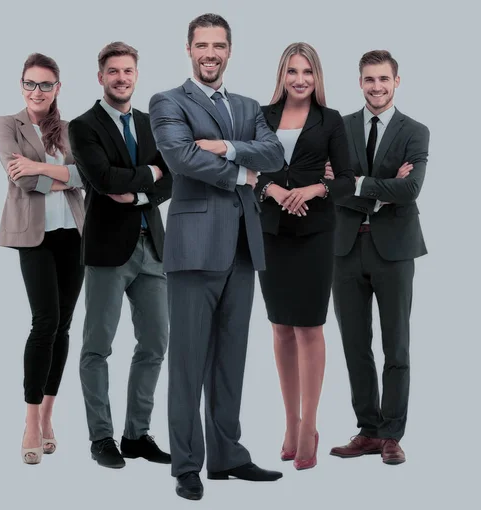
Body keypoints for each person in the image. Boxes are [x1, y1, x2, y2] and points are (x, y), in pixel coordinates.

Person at [149, 13, 285, 501]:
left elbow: (274, 155)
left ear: (230, 50)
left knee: (230, 360)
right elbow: (181, 156)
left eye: (219, 45)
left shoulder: (249, 106)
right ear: (189, 49)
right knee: (187, 362)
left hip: (243, 248)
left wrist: (227, 145)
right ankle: (187, 464)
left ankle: (228, 455)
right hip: (192, 251)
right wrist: (241, 174)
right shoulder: (167, 101)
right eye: (202, 44)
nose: (211, 53)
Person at [68, 42, 172, 470]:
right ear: (101, 77)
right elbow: (102, 178)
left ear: (136, 74)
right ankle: (101, 437)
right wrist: (148, 174)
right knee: (97, 346)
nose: (122, 78)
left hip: (154, 250)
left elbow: (173, 181)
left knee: (154, 344)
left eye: (128, 71)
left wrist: (136, 189)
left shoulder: (151, 124)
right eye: (114, 71)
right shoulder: (83, 126)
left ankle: (136, 434)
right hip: (109, 252)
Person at [255, 42, 355, 470]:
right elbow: (248, 170)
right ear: (282, 74)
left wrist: (313, 190)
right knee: (280, 327)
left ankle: (311, 425)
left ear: (317, 78)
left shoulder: (330, 121)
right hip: (271, 231)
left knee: (309, 327)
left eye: (307, 73)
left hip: (315, 231)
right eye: (293, 71)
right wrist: (274, 190)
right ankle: (291, 423)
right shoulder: (260, 117)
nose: (299, 80)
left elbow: (347, 179)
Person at [328, 50, 430, 465]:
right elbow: (330, 187)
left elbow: (411, 190)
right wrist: (381, 190)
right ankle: (368, 430)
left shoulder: (415, 131)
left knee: (396, 346)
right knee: (355, 345)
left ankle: (392, 435)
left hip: (395, 251)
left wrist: (356, 184)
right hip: (345, 248)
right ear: (360, 82)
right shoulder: (340, 127)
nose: (377, 87)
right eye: (369, 80)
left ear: (396, 82)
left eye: (383, 79)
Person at [0, 53, 85, 465]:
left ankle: (49, 415)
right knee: (44, 321)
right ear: (21, 85)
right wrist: (57, 174)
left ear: (57, 89)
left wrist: (51, 171)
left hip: (75, 235)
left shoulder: (69, 129)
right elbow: (22, 178)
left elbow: (89, 177)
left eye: (45, 85)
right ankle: (30, 420)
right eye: (31, 83)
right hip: (34, 237)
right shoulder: (7, 124)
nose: (37, 91)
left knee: (63, 325)